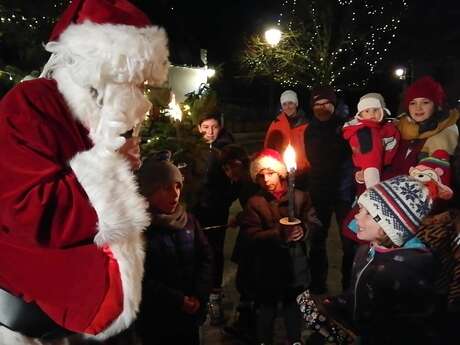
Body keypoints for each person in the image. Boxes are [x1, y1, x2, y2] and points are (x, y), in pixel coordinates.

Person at [0, 0, 169, 344]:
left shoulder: (98, 118)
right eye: (126, 78)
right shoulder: (30, 103)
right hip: (37, 321)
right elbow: (30, 211)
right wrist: (110, 163)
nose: (134, 93)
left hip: (97, 315)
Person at [299, 175, 437, 345]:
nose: (357, 216)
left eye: (369, 214)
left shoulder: (404, 271)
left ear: (392, 226)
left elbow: (409, 326)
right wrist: (334, 305)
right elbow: (358, 293)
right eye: (360, 208)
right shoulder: (365, 251)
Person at [240, 149, 320, 345]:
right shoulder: (255, 203)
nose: (265, 179)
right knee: (266, 309)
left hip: (295, 264)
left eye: (270, 173)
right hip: (268, 266)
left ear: (281, 172)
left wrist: (304, 229)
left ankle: (295, 340)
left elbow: (315, 222)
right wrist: (278, 234)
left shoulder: (300, 197)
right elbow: (251, 235)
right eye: (260, 176)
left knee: (292, 307)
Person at [136, 154, 213, 345]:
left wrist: (198, 295)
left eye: (178, 185)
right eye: (165, 188)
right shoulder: (139, 229)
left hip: (190, 314)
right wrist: (178, 300)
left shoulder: (188, 221)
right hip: (158, 319)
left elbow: (206, 257)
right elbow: (141, 277)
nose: (175, 193)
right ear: (148, 191)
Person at [305, 86, 355, 293]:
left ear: (334, 105)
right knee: (317, 240)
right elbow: (312, 160)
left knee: (349, 242)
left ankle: (349, 286)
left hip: (344, 192)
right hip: (320, 193)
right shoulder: (310, 130)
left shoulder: (346, 127)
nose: (322, 108)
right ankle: (317, 284)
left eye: (326, 103)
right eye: (317, 104)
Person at [193, 112, 236, 325]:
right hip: (195, 210)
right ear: (199, 128)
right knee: (197, 251)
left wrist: (224, 199)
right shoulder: (192, 149)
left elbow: (236, 180)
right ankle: (198, 296)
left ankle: (215, 298)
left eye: (214, 127)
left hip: (217, 210)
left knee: (215, 252)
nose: (210, 132)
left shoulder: (226, 150)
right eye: (205, 127)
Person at [220, 145, 259, 342]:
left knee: (248, 280)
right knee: (244, 280)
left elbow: (258, 207)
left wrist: (242, 217)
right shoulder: (242, 181)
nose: (228, 174)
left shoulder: (253, 180)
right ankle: (245, 321)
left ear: (237, 163)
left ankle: (250, 325)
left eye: (229, 169)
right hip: (249, 234)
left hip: (257, 237)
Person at [385, 76, 459, 180]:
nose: (418, 108)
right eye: (413, 103)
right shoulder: (398, 130)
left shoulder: (444, 134)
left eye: (425, 102)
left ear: (436, 105)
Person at [343, 92, 400, 190]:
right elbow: (371, 161)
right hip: (374, 180)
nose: (372, 114)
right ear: (360, 115)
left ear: (383, 111)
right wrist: (373, 189)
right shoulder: (367, 132)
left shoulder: (388, 128)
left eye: (375, 110)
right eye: (367, 111)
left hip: (389, 176)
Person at [264, 90, 309, 189]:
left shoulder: (306, 125)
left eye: (290, 103)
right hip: (283, 173)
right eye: (284, 104)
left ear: (296, 104)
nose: (287, 107)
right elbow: (268, 148)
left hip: (304, 173)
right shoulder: (276, 124)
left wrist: (306, 167)